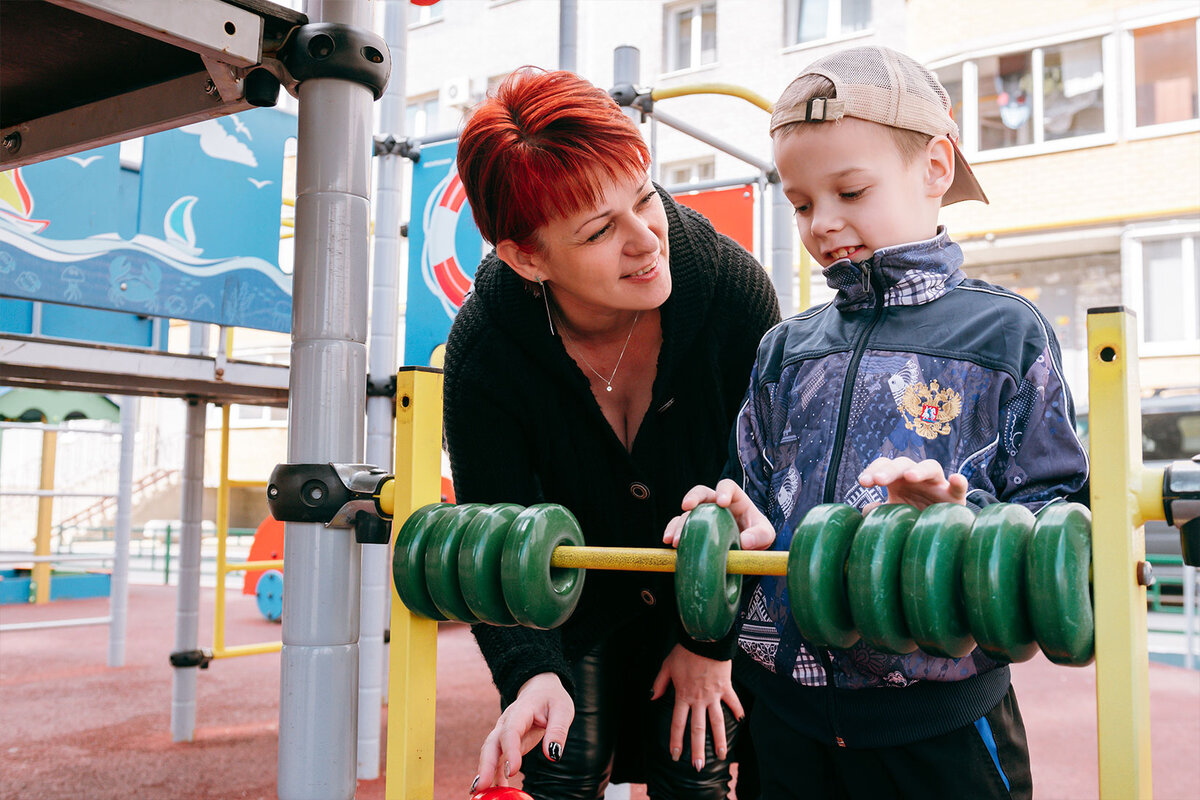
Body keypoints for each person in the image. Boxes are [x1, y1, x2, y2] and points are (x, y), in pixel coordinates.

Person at [664, 46, 1089, 799]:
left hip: (938, 727)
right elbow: (753, 484)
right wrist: (737, 519)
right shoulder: (785, 349)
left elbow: (1056, 515)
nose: (823, 223)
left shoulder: (1005, 336)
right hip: (785, 718)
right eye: (800, 203)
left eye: (851, 191)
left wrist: (963, 524)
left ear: (934, 167)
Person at [444, 67, 782, 799]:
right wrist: (529, 670)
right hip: (570, 605)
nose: (644, 241)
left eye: (644, 198)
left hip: (715, 595)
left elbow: (764, 486)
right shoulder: (488, 353)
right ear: (526, 257)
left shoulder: (730, 292)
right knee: (558, 761)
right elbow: (491, 536)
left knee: (701, 765)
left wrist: (708, 641)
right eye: (600, 230)